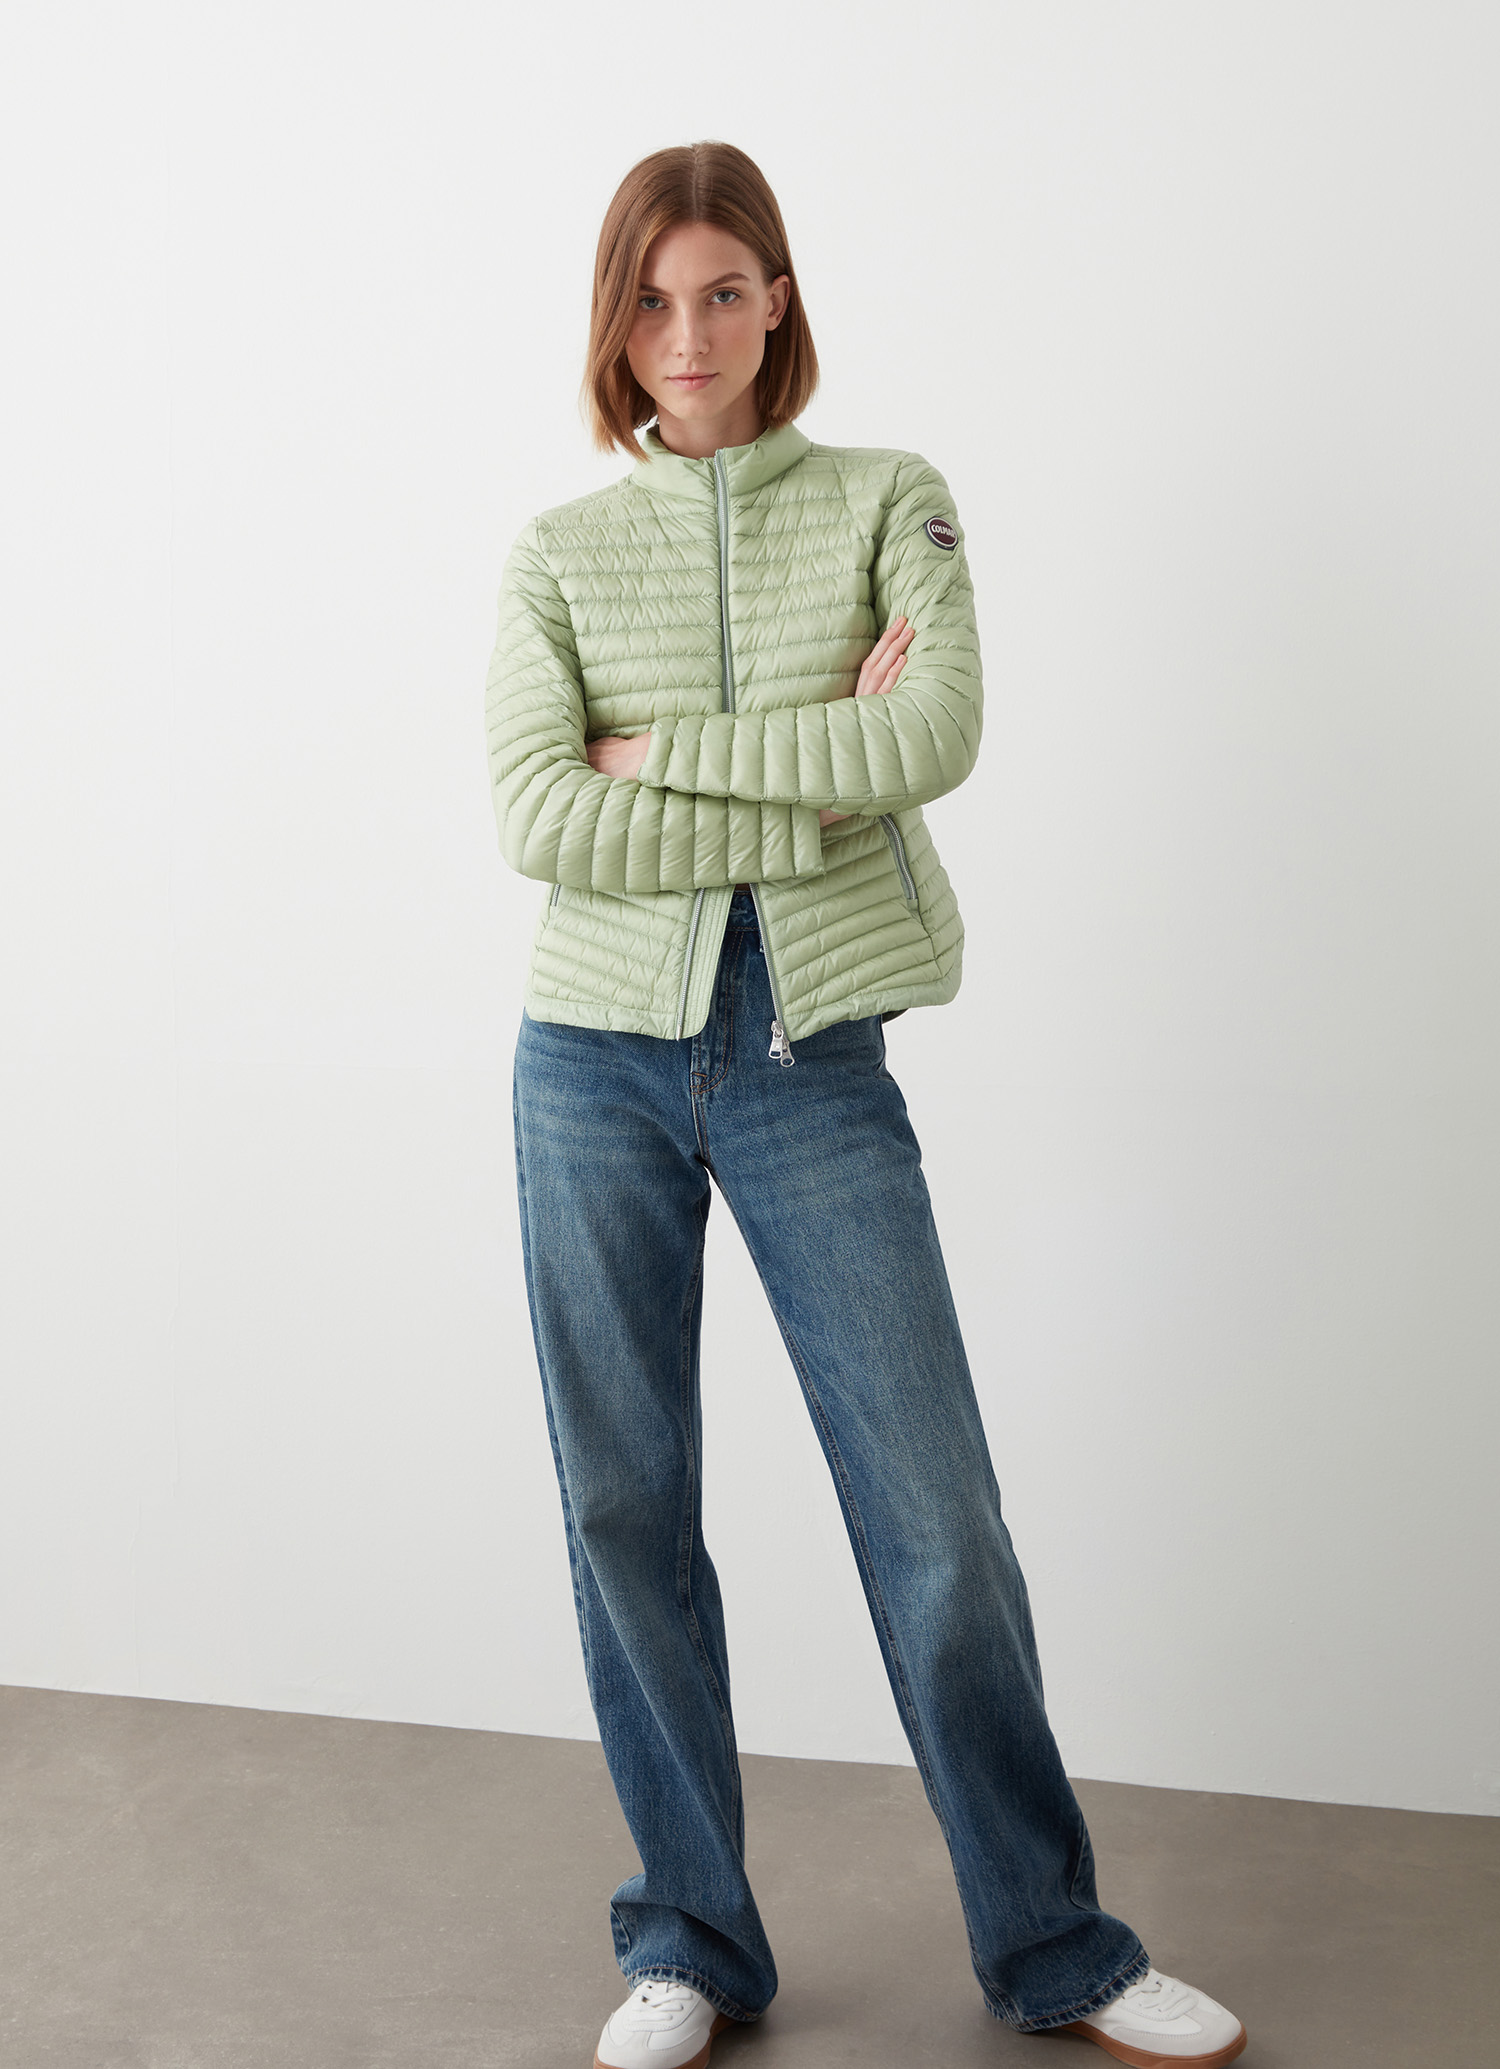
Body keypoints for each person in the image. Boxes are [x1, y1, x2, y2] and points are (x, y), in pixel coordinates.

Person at [484, 140, 1248, 2069]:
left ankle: (1056, 1943)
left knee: (936, 1514)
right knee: (624, 1503)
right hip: (591, 1062)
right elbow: (538, 814)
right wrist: (817, 772)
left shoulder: (892, 499)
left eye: (725, 291)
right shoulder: (557, 555)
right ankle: (688, 1938)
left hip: (809, 1051)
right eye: (653, 299)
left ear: (780, 302)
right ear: (615, 322)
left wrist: (667, 756)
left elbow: (934, 731)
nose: (689, 334)